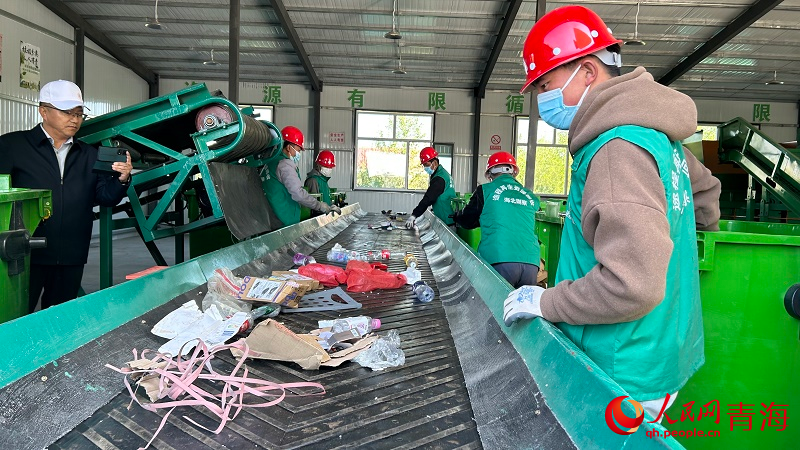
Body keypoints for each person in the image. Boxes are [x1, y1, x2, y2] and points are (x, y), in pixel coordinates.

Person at [502, 5, 721, 420]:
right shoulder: (659, 140)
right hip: (656, 348)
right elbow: (707, 196)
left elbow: (632, 285)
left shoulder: (615, 150)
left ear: (587, 72)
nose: (543, 100)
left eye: (547, 84)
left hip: (621, 366)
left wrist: (549, 302)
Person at [0, 79, 133, 312]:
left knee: (60, 320)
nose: (74, 119)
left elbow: (105, 198)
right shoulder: (12, 146)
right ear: (43, 111)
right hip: (25, 255)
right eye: (67, 112)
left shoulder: (89, 155)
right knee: (17, 318)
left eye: (79, 113)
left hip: (71, 254)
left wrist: (122, 179)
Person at [452, 151, 541, 288]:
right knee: (522, 307)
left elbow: (468, 220)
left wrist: (457, 216)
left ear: (489, 174)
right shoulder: (530, 196)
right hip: (531, 262)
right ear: (514, 172)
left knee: (496, 307)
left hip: (500, 259)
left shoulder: (485, 190)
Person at [263, 126, 340, 226]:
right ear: (288, 147)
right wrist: (319, 205)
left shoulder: (271, 161)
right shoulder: (285, 165)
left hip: (270, 215)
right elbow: (298, 193)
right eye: (298, 150)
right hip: (283, 217)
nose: (298, 153)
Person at [406, 147, 456, 229]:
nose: (425, 168)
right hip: (449, 220)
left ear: (434, 163)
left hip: (446, 224)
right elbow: (441, 197)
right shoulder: (444, 174)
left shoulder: (439, 178)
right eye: (424, 165)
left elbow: (428, 198)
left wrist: (414, 215)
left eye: (427, 165)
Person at [304, 150, 336, 218]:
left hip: (325, 217)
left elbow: (326, 198)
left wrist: (331, 206)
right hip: (318, 218)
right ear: (319, 165)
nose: (329, 169)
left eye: (330, 167)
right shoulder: (313, 181)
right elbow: (312, 205)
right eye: (326, 167)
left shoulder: (323, 180)